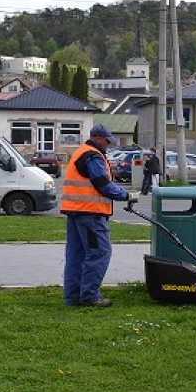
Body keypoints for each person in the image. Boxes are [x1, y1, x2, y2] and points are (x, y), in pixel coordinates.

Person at [61, 124, 139, 307]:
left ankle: (72, 297)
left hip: (76, 211)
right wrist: (127, 195)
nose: (109, 145)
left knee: (76, 256)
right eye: (107, 141)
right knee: (99, 253)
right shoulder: (93, 157)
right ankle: (89, 296)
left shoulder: (81, 152)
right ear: (97, 138)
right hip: (90, 213)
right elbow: (103, 185)